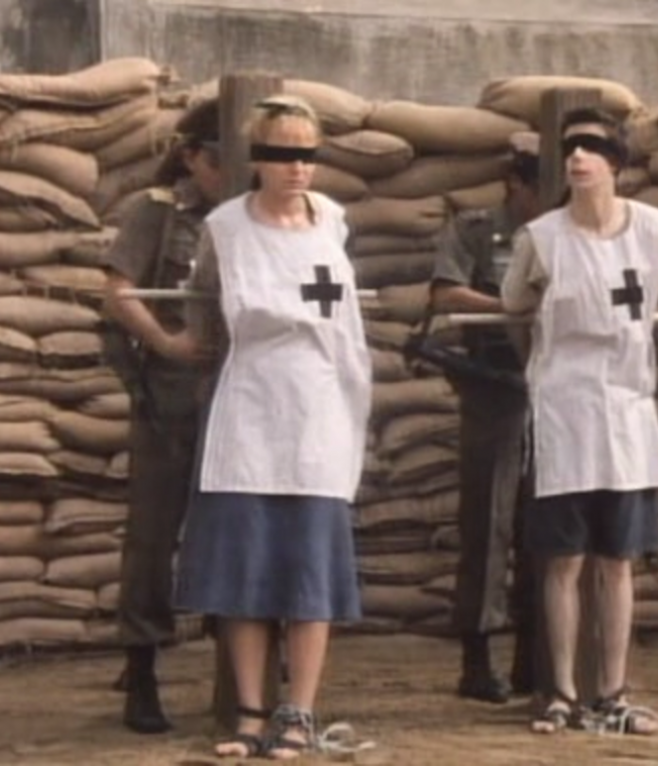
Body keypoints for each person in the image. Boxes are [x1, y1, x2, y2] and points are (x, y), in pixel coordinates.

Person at [173, 95, 371, 760]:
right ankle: (251, 713)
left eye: (307, 155)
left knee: (310, 571)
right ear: (258, 159)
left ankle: (298, 712)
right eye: (283, 154)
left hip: (318, 406)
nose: (297, 168)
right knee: (246, 571)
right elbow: (217, 306)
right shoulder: (227, 228)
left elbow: (340, 326)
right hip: (252, 409)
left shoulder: (333, 223)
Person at [501, 107, 658, 735]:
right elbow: (514, 305)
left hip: (625, 412)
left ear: (616, 164)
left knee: (617, 559)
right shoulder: (542, 238)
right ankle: (562, 692)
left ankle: (614, 691)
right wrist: (539, 370)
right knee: (563, 561)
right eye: (571, 147)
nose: (578, 157)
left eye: (592, 147)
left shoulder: (651, 230)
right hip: (564, 412)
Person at [101, 98, 221, 734]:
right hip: (171, 393)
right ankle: (142, 667)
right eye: (223, 160)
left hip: (239, 395)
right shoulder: (158, 213)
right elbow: (118, 291)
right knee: (153, 537)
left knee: (235, 526)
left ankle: (246, 657)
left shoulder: (256, 216)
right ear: (193, 156)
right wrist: (168, 342)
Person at [427, 133, 544, 703]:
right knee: (489, 525)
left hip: (549, 389)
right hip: (492, 386)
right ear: (515, 183)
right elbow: (445, 294)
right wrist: (509, 305)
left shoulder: (565, 234)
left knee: (542, 527)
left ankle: (534, 653)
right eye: (537, 186)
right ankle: (477, 656)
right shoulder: (476, 230)